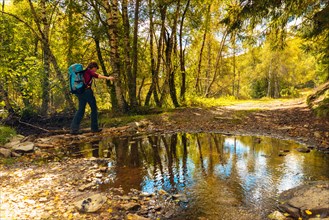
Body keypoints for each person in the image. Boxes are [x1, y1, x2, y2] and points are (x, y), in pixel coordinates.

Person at [70, 62, 114, 134]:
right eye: (96, 68)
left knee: (80, 110)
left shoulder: (81, 72)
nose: (95, 70)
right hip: (87, 92)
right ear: (93, 67)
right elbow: (97, 75)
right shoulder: (88, 71)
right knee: (94, 109)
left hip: (80, 92)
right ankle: (94, 128)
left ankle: (74, 129)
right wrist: (107, 78)